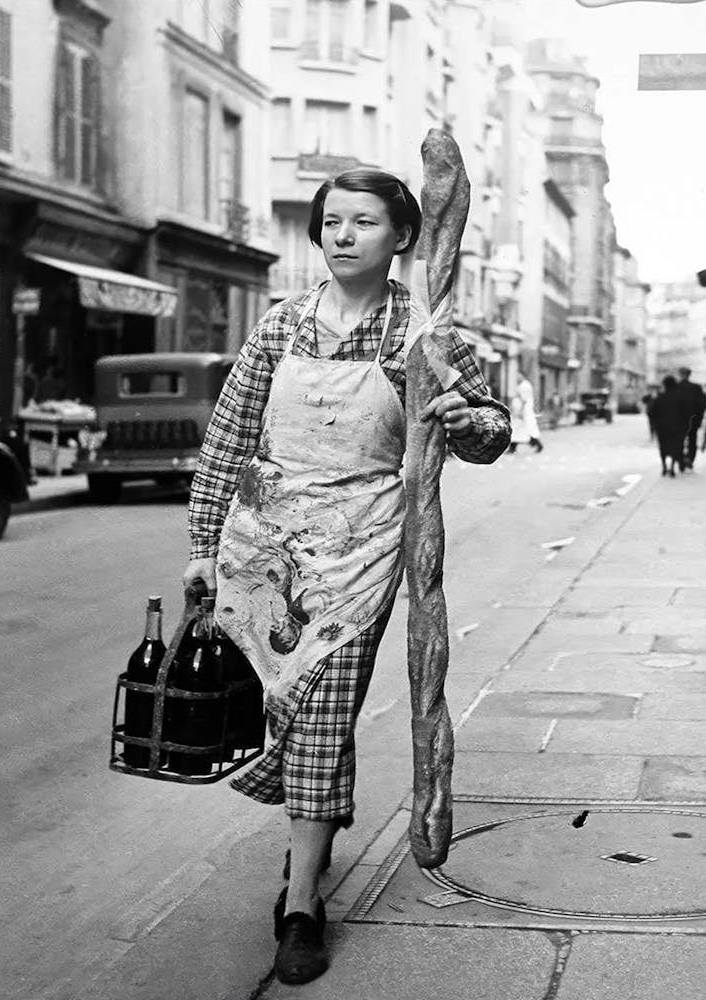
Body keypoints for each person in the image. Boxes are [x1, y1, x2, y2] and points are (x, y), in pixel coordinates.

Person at [183, 169, 510, 985]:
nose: (342, 234)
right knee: (284, 711)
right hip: (264, 552)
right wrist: (201, 543)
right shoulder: (281, 324)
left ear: (403, 236)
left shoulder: (428, 334)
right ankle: (316, 828)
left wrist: (472, 420)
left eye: (363, 221)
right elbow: (227, 439)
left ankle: (301, 906)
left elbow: (490, 430)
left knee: (324, 711)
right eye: (332, 221)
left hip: (361, 554)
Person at [650, 374, 689, 477]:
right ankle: (672, 467)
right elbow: (686, 413)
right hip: (676, 426)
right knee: (675, 447)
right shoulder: (681, 398)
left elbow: (652, 413)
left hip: (662, 427)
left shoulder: (659, 398)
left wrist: (655, 425)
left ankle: (664, 467)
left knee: (663, 447)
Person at [676, 366, 705, 470]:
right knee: (692, 439)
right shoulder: (696, 388)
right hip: (693, 420)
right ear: (689, 375)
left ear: (680, 374)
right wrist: (699, 418)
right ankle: (690, 459)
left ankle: (681, 460)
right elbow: (702, 404)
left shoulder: (675, 387)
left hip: (678, 421)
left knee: (679, 440)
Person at [508, 370, 543, 453]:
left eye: (518, 375)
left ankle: (537, 444)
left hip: (524, 411)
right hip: (522, 410)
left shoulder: (525, 386)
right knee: (519, 429)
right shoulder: (522, 385)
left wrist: (520, 411)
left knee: (523, 429)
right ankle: (513, 447)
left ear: (523, 376)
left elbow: (524, 400)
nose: (517, 377)